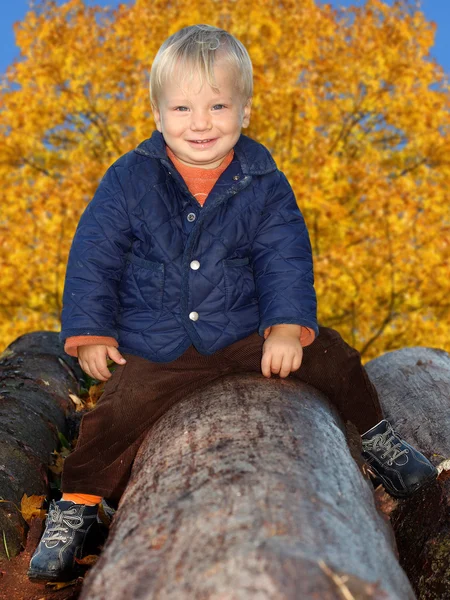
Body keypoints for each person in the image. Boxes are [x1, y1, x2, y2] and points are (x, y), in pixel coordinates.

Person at [28, 24, 437, 583]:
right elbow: (94, 257)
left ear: (244, 112)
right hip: (159, 340)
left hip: (247, 328)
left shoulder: (262, 180)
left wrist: (287, 327)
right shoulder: (129, 181)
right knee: (113, 416)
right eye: (182, 108)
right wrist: (92, 331)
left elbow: (284, 255)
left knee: (336, 358)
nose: (200, 123)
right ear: (157, 114)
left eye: (218, 105)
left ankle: (378, 440)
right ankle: (76, 505)